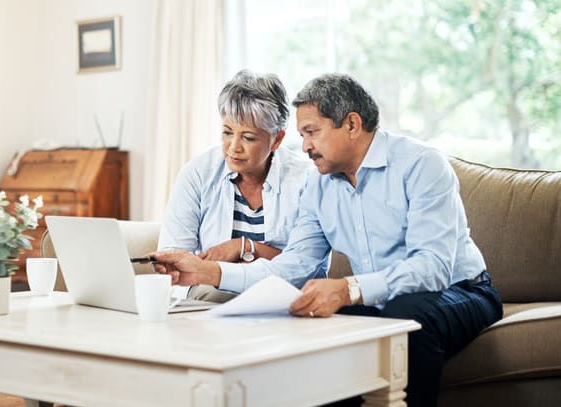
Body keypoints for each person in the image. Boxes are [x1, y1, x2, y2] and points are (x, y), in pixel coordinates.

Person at [151, 74, 503, 406]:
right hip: (385, 299)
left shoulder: (421, 164)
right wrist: (207, 272)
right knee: (320, 330)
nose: (303, 146)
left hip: (462, 290)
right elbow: (294, 267)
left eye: (311, 132)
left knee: (403, 319)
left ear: (351, 124)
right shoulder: (318, 185)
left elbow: (433, 268)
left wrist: (347, 289)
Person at [158, 70, 324, 303]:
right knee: (214, 295)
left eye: (248, 137)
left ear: (276, 139)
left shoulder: (306, 180)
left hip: (280, 295)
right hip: (210, 295)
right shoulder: (197, 173)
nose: (233, 147)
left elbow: (306, 266)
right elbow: (173, 259)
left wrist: (245, 247)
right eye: (227, 132)